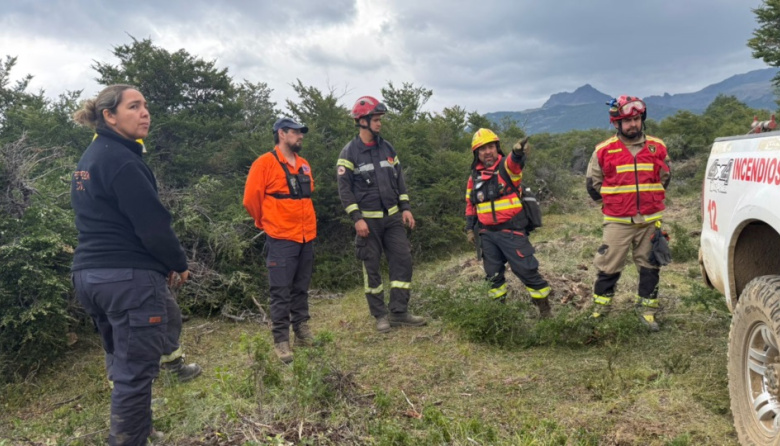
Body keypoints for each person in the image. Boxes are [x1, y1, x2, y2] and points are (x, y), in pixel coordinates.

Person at [71, 84, 199, 445]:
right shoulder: (122, 160)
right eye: (134, 106)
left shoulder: (92, 157)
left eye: (145, 105)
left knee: (120, 357)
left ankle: (141, 430)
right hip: (127, 279)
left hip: (90, 276)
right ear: (109, 116)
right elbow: (152, 225)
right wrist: (177, 262)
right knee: (134, 372)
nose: (145, 113)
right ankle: (130, 439)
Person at [337, 95, 426, 333]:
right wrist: (357, 218)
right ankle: (380, 315)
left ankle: (399, 312)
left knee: (403, 260)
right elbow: (344, 191)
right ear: (362, 121)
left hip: (393, 219)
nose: (379, 124)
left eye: (379, 120)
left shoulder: (387, 148)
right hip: (368, 223)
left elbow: (400, 180)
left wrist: (406, 208)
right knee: (372, 268)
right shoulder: (349, 153)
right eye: (375, 120)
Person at [586, 95, 671, 331]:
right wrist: (614, 204)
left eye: (636, 119)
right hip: (617, 221)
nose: (633, 124)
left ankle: (647, 313)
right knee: (608, 267)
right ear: (616, 123)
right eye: (627, 121)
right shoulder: (603, 151)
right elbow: (593, 185)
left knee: (650, 266)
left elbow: (665, 178)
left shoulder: (658, 147)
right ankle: (599, 312)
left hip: (650, 220)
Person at [243, 117, 317, 363]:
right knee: (280, 291)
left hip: (307, 236)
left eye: (301, 132)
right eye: (296, 132)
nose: (301, 136)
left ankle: (302, 331)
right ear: (282, 134)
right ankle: (281, 341)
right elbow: (251, 200)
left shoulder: (304, 165)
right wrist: (265, 223)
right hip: (281, 237)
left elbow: (307, 196)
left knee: (301, 287)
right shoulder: (264, 163)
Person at [464, 129, 552, 317]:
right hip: (487, 234)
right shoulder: (474, 177)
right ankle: (500, 315)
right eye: (482, 149)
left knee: (526, 270)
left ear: (497, 147)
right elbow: (470, 205)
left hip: (511, 231)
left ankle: (545, 311)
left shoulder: (506, 168)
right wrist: (469, 229)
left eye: (490, 147)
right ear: (476, 153)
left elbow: (515, 161)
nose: (487, 152)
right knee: (493, 276)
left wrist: (518, 152)